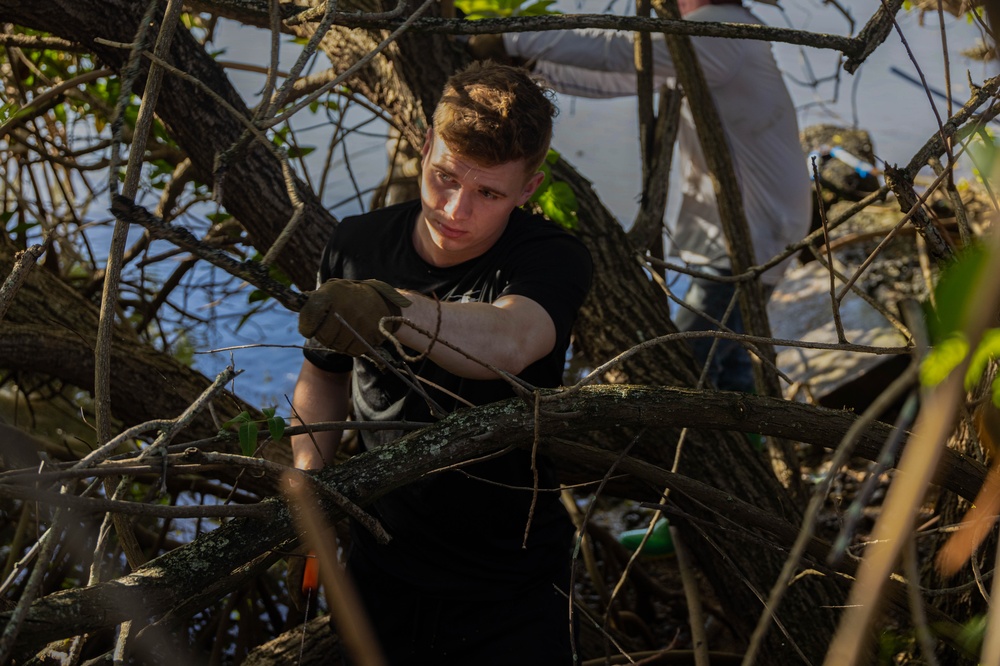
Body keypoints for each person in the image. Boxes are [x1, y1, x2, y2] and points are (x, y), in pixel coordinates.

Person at [290, 61, 593, 665]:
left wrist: (389, 308)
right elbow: (322, 380)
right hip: (382, 564)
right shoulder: (356, 244)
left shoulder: (551, 259)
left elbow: (509, 339)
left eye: (488, 193)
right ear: (424, 147)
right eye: (444, 177)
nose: (456, 209)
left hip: (511, 578)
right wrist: (310, 492)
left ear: (528, 189)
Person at [471, 0, 810, 393]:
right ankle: (752, 450)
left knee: (687, 373)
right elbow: (627, 74)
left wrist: (507, 36)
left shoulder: (720, 28)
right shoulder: (721, 38)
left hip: (744, 235)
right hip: (763, 229)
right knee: (734, 369)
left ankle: (694, 450)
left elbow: (622, 50)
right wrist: (528, 67)